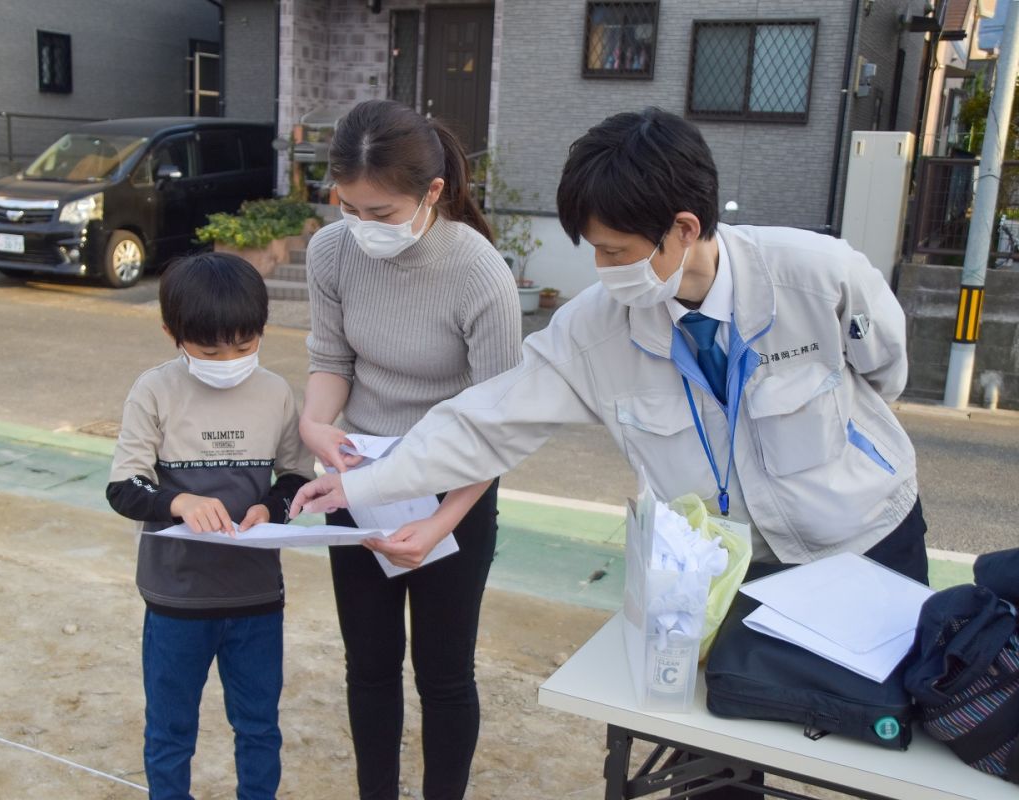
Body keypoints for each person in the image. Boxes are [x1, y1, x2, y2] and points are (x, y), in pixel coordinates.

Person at [292, 107, 927, 798]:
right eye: (591, 249)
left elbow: (885, 371)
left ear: (684, 228)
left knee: (888, 751)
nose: (602, 270)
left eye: (616, 252)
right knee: (720, 756)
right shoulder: (597, 331)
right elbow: (488, 420)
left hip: (867, 545)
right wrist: (363, 487)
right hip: (724, 563)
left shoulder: (817, 274)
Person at [300, 99, 521, 800]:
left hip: (454, 490)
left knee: (444, 674)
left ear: (432, 193)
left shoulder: (480, 273)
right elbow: (330, 359)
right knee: (368, 664)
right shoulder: (330, 251)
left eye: (383, 214)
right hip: (361, 481)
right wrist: (315, 424)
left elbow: (498, 425)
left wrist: (442, 522)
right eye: (349, 208)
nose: (363, 229)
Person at [106, 252, 313, 800]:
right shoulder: (154, 391)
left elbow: (295, 477)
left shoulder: (274, 392)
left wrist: (270, 508)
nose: (230, 359)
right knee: (170, 732)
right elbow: (124, 487)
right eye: (210, 350)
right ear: (172, 333)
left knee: (259, 727)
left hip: (255, 595)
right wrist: (179, 503)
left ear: (262, 332)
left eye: (244, 346)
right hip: (177, 598)